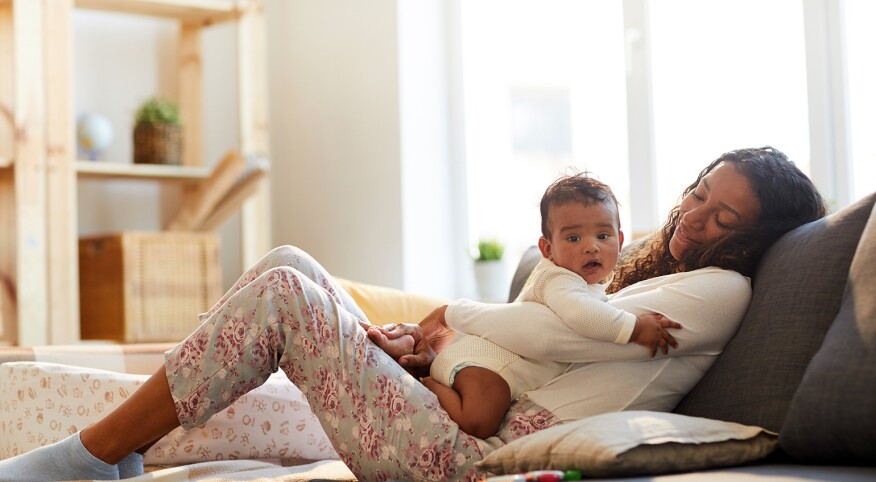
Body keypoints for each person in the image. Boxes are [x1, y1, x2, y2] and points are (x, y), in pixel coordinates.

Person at [0, 146, 827, 482]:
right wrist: (426, 351)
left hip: (471, 450)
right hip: (452, 408)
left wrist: (438, 326)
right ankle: (123, 448)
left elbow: (546, 333)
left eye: (725, 218)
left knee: (286, 297)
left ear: (756, 236)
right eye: (700, 194)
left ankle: (91, 458)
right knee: (291, 265)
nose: (695, 218)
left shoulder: (723, 293)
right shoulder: (637, 275)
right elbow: (550, 338)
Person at [376, 174, 681, 439]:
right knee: (479, 422)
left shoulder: (590, 285)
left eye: (603, 235)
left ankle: (432, 366)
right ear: (547, 249)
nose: (591, 246)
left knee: (486, 412)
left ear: (620, 239)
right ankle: (428, 382)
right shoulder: (560, 280)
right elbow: (580, 314)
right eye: (573, 237)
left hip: (492, 365)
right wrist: (634, 327)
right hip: (485, 364)